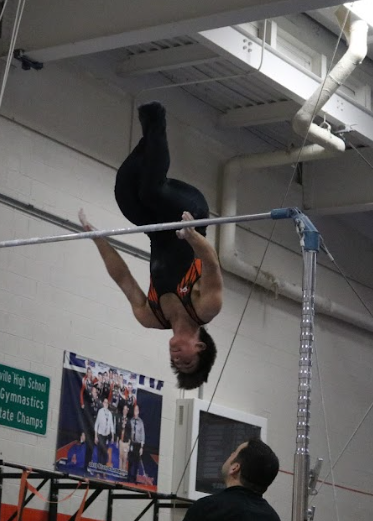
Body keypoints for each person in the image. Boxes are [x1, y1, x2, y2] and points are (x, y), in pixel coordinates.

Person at [79, 101, 222, 390]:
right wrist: (192, 235)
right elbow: (211, 263)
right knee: (150, 189)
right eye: (186, 361)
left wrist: (98, 239)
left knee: (125, 194)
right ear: (200, 347)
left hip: (157, 228)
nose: (176, 358)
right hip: (190, 215)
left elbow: (123, 279)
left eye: (176, 365)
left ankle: (149, 138)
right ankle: (155, 118)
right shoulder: (206, 306)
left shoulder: (151, 316)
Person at [182, 439, 280, 521]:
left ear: (234, 468)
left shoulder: (207, 508)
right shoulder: (273, 517)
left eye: (234, 452)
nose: (231, 454)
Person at [94, 397, 115, 466]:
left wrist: (112, 436)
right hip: (100, 435)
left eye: (107, 403)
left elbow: (112, 425)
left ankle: (102, 469)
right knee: (99, 452)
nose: (106, 404)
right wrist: (96, 436)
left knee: (105, 453)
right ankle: (98, 469)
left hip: (107, 436)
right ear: (103, 403)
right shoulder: (100, 411)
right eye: (105, 402)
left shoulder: (110, 413)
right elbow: (96, 424)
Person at [127, 404, 146, 483]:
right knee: (130, 461)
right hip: (131, 443)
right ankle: (128, 477)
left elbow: (142, 434)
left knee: (136, 462)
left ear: (138, 412)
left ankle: (134, 478)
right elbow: (128, 432)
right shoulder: (131, 421)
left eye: (137, 410)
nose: (136, 411)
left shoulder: (141, 422)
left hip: (138, 444)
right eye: (135, 409)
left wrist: (141, 447)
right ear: (134, 411)